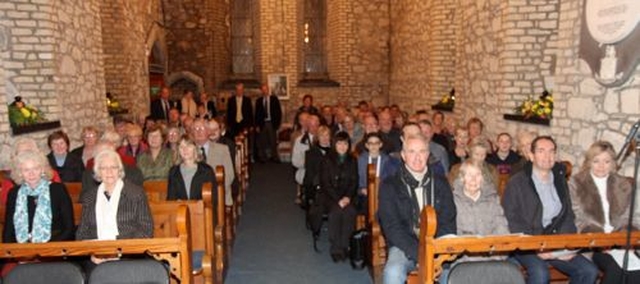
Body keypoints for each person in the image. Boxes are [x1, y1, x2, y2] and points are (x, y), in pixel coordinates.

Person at [503, 136, 598, 284]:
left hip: (556, 242)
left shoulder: (560, 181)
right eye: (541, 151)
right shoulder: (517, 182)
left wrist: (566, 246)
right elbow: (512, 219)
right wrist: (538, 248)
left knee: (589, 271)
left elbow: (567, 215)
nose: (547, 156)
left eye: (551, 151)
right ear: (531, 155)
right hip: (527, 244)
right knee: (541, 273)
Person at [378, 134, 456, 284]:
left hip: (437, 245)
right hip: (404, 245)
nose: (417, 157)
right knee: (393, 272)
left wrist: (434, 252)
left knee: (454, 271)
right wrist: (420, 254)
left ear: (428, 155)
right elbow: (392, 227)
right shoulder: (390, 186)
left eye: (421, 151)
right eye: (412, 152)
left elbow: (449, 219)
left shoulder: (441, 183)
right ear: (403, 155)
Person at [569, 141, 640, 284]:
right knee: (616, 268)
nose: (601, 166)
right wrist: (602, 242)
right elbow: (578, 218)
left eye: (606, 161)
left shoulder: (623, 184)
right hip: (592, 243)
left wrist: (623, 242)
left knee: (636, 271)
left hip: (621, 242)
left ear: (613, 163)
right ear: (589, 162)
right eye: (596, 161)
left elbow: (630, 216)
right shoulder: (576, 183)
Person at [76, 149, 153, 270]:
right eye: (104, 168)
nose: (109, 172)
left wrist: (120, 251)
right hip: (96, 257)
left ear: (120, 170)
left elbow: (146, 230)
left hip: (129, 256)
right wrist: (93, 254)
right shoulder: (89, 197)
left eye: (113, 167)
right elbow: (81, 234)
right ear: (98, 172)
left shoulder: (136, 193)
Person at [3, 150, 75, 243]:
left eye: (35, 169)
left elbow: (68, 229)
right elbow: (8, 229)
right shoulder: (14, 193)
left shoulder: (57, 190)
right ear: (20, 173)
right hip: (21, 249)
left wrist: (46, 248)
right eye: (26, 170)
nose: (31, 173)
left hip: (53, 247)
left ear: (42, 170)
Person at [310, 132, 358, 261]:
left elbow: (354, 182)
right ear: (334, 144)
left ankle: (345, 246)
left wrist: (347, 197)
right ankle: (336, 248)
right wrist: (338, 199)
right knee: (335, 212)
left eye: (345, 143)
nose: (342, 146)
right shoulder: (327, 160)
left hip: (347, 197)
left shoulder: (352, 160)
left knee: (350, 212)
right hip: (329, 196)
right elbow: (325, 183)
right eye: (339, 143)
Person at [191, 119, 234, 205]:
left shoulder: (222, 149)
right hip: (195, 199)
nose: (199, 132)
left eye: (202, 129)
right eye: (195, 129)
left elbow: (229, 176)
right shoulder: (189, 151)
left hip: (219, 196)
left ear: (208, 131)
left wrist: (212, 195)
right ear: (192, 133)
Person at [357, 132, 400, 213]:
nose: (373, 146)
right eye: (370, 143)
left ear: (380, 145)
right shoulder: (360, 160)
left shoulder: (387, 160)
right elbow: (357, 179)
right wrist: (362, 189)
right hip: (364, 193)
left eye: (376, 143)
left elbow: (390, 178)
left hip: (382, 193)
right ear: (366, 145)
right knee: (365, 205)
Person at [167, 136, 217, 200]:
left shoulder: (206, 171)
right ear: (178, 150)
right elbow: (171, 199)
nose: (185, 150)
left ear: (195, 148)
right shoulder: (173, 172)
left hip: (202, 209)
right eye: (181, 147)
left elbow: (213, 199)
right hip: (180, 209)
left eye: (188, 146)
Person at [302, 125, 332, 209]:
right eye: (322, 136)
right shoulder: (311, 153)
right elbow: (310, 174)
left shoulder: (334, 152)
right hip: (316, 183)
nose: (325, 138)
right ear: (317, 137)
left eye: (327, 135)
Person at [255, 83, 282, 163]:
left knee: (273, 141)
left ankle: (275, 157)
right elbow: (257, 114)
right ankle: (263, 157)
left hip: (272, 123)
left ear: (268, 90)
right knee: (262, 141)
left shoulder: (274, 99)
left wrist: (278, 124)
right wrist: (257, 125)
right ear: (261, 91)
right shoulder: (259, 101)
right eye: (263, 90)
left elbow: (278, 112)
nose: (264, 91)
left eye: (265, 89)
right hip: (262, 123)